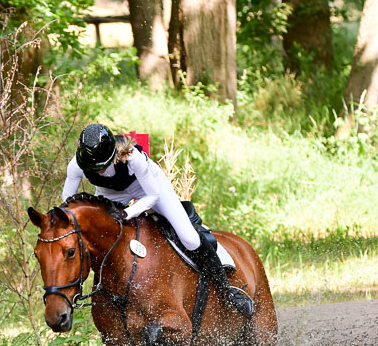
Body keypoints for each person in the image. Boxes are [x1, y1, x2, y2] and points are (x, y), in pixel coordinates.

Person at [62, 123, 253, 317]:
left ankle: (227, 290)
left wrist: (128, 213)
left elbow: (152, 195)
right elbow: (67, 205)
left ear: (115, 154)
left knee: (190, 239)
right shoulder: (76, 165)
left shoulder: (133, 158)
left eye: (103, 167)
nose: (100, 172)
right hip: (110, 193)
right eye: (94, 169)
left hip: (147, 186)